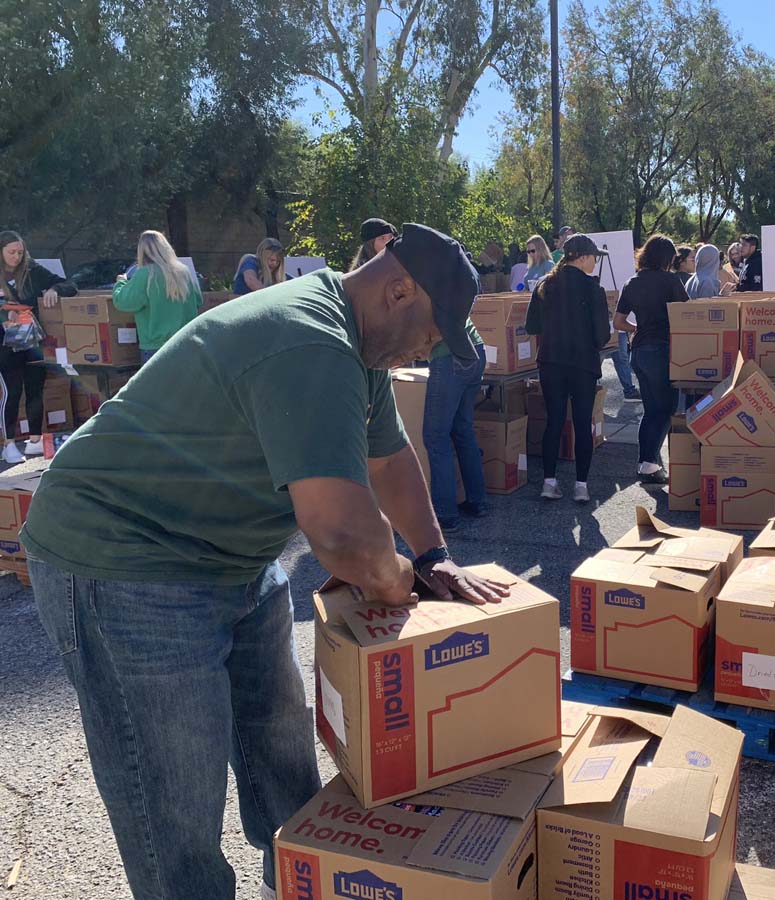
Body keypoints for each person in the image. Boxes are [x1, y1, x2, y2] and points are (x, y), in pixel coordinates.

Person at [22, 223, 508, 900]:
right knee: (175, 806)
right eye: (434, 330)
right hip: (127, 561)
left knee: (282, 764)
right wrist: (399, 580)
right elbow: (338, 531)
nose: (431, 347)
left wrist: (434, 555)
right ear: (399, 290)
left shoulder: (357, 347)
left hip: (233, 559)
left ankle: (303, 884)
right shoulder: (309, 339)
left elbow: (392, 462)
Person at [349, 230, 488, 535]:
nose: (423, 351)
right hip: (473, 354)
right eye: (426, 338)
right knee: (462, 429)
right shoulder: (432, 278)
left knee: (436, 437)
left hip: (453, 359)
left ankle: (446, 514)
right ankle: (477, 500)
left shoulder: (431, 281)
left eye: (429, 340)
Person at [524, 234, 611, 502]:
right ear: (583, 257)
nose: (596, 262)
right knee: (583, 423)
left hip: (551, 360)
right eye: (594, 257)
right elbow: (602, 336)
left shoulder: (544, 284)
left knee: (555, 421)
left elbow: (531, 327)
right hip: (583, 363)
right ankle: (581, 486)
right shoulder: (593, 289)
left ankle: (549, 482)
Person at [614, 234, 688, 484]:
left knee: (651, 410)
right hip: (663, 350)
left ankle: (647, 462)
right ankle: (648, 464)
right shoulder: (670, 280)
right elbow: (688, 314)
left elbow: (618, 322)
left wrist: (638, 329)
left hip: (640, 351)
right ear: (667, 259)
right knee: (666, 409)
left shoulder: (631, 282)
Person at [0, 231, 78, 463]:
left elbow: (69, 284)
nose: (16, 257)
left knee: (35, 389)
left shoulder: (32, 270)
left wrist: (55, 290)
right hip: (5, 344)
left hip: (32, 340)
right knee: (12, 392)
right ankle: (9, 443)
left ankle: (35, 440)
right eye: (11, 252)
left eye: (20, 252)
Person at [111, 230, 202, 364]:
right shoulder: (184, 272)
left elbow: (123, 302)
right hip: (186, 343)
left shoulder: (145, 274)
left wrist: (121, 282)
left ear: (142, 251)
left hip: (156, 347)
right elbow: (198, 301)